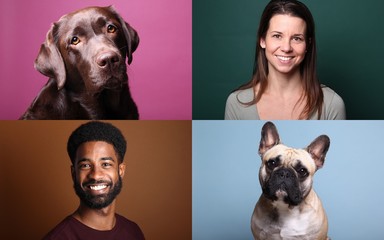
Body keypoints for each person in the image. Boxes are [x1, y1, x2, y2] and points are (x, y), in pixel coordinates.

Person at [225, 0, 346, 120]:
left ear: (307, 45)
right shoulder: (237, 103)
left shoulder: (332, 105)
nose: (286, 48)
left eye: (297, 38)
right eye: (277, 36)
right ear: (262, 40)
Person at [43, 121, 145, 240]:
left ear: (121, 170)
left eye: (106, 164)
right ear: (74, 173)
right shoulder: (59, 237)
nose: (96, 175)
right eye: (85, 165)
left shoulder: (133, 231)